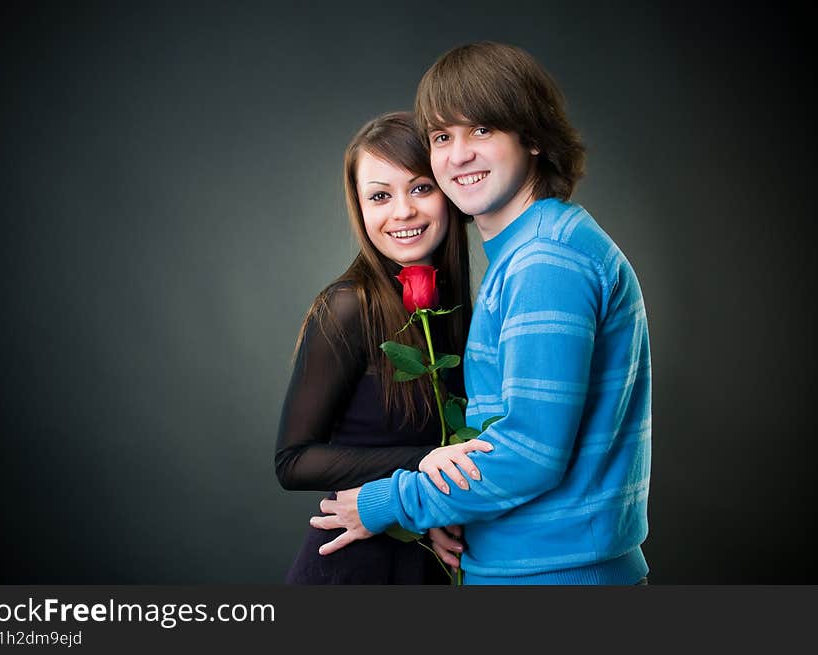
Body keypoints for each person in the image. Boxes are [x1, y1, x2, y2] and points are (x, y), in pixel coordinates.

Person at [310, 42, 652, 585]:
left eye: (483, 130)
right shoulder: (536, 249)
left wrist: (385, 502)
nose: (458, 155)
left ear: (533, 138)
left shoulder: (545, 261)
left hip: (554, 577)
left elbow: (530, 454)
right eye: (442, 137)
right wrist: (450, 509)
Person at [275, 111, 493, 584]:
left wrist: (424, 514)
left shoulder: (459, 309)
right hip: (353, 571)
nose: (402, 212)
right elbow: (293, 461)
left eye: (420, 188)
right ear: (360, 208)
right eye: (379, 196)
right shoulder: (348, 306)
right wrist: (422, 463)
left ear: (448, 190)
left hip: (420, 553)